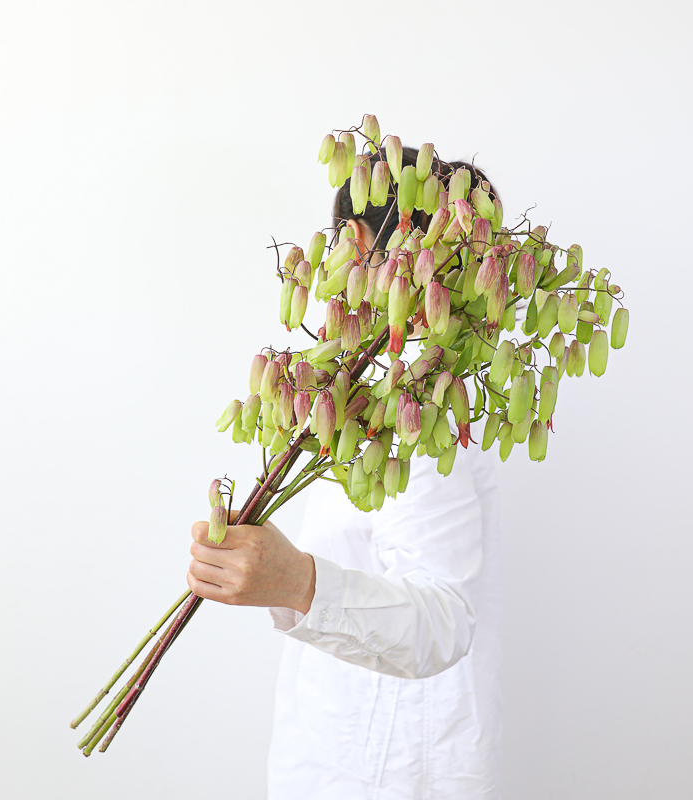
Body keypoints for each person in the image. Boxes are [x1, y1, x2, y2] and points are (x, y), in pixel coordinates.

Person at [187, 148, 503, 799]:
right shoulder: (382, 391)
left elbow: (447, 617)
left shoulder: (417, 407)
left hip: (386, 766)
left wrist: (297, 581)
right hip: (352, 747)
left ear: (355, 240)